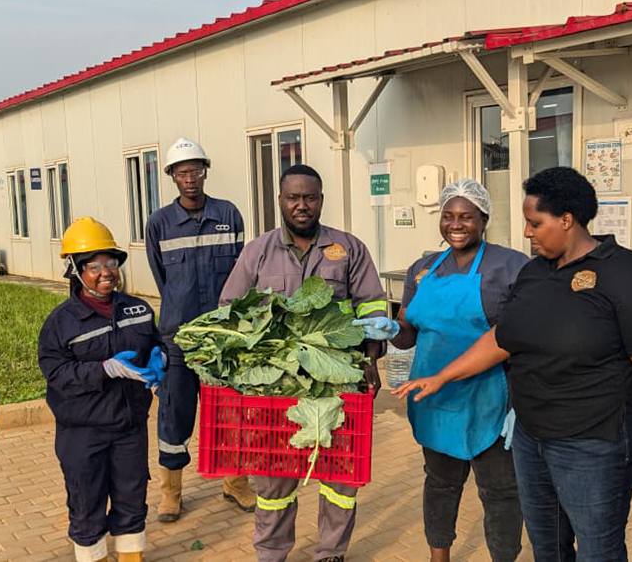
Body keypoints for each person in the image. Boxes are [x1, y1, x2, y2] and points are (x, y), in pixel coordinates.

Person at [395, 167, 632, 561]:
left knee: (597, 549)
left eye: (535, 223)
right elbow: (501, 339)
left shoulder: (629, 275)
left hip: (594, 443)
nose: (528, 233)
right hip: (532, 440)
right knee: (548, 547)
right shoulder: (534, 274)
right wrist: (441, 376)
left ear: (566, 219)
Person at [220, 164, 387, 562]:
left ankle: (331, 552)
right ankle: (272, 553)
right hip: (276, 387)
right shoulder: (257, 252)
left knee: (340, 479)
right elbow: (229, 308)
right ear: (280, 200)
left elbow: (373, 307)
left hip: (338, 382)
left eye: (309, 197)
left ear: (321, 201)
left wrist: (372, 360)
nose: (301, 205)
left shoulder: (348, 249)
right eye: (293, 197)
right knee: (274, 481)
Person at [356, 179, 526, 562]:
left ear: (484, 219)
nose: (456, 224)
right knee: (440, 484)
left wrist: (527, 399)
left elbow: (524, 336)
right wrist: (388, 330)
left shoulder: (511, 265)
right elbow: (407, 335)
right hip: (434, 397)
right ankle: (439, 556)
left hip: (492, 399)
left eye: (466, 216)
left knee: (500, 491)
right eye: (448, 216)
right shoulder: (423, 269)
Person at [38, 217, 165, 562]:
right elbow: (56, 371)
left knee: (131, 496)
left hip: (129, 426)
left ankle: (130, 557)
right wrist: (103, 369)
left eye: (111, 262)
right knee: (86, 502)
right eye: (94, 265)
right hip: (83, 431)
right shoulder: (61, 322)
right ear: (76, 270)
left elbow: (155, 343)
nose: (106, 272)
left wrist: (160, 357)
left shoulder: (138, 309)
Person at [145, 137, 253, 522]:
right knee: (174, 414)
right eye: (181, 171)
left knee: (231, 414)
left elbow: (242, 273)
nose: (190, 178)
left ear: (205, 172)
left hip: (226, 337)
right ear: (172, 177)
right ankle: (171, 492)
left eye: (196, 170)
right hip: (179, 339)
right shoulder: (159, 223)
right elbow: (162, 280)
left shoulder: (229, 213)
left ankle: (235, 483)